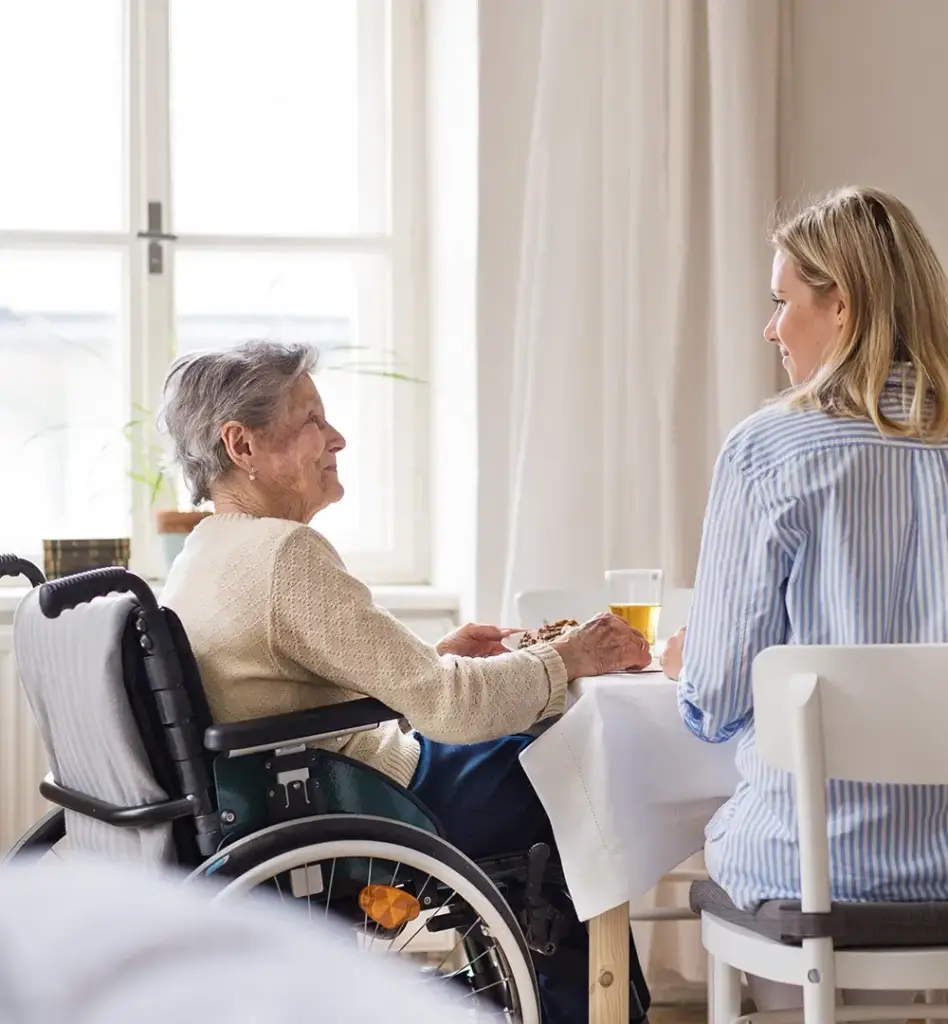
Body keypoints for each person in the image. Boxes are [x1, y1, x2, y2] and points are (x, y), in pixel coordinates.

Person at [158, 339, 652, 1023]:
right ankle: (599, 1010)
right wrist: (567, 658)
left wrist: (435, 655)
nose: (337, 437)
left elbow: (292, 684)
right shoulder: (283, 556)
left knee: (533, 761)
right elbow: (448, 706)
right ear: (241, 445)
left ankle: (552, 991)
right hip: (366, 805)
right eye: (310, 421)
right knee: (571, 770)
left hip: (302, 793)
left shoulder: (207, 552)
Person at [660, 185, 948, 1013]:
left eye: (783, 301)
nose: (772, 328)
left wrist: (696, 666)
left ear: (844, 307)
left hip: (813, 870)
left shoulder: (769, 449)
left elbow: (712, 702)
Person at [0, 856, 485, 1023]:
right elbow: (445, 705)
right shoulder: (294, 614)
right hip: (355, 779)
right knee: (520, 774)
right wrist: (549, 662)